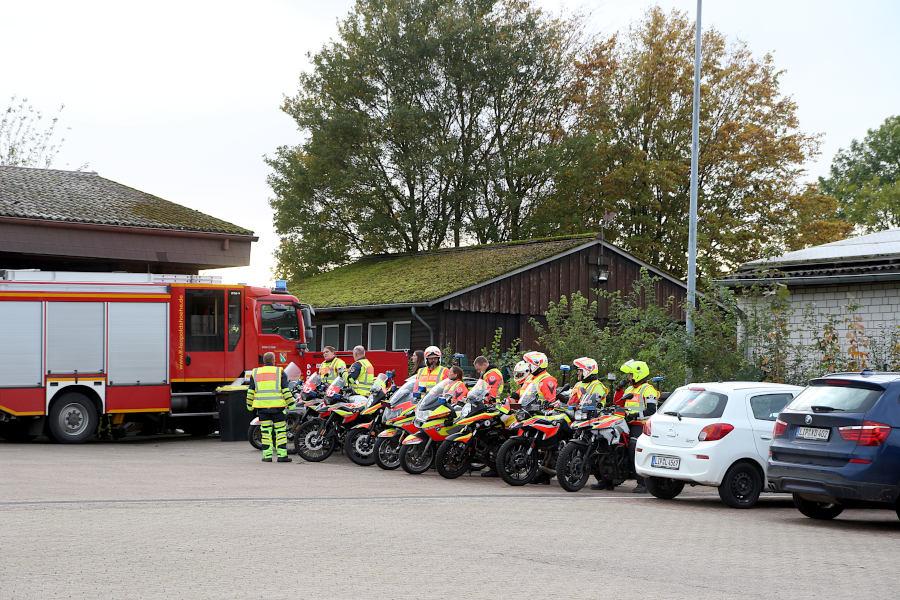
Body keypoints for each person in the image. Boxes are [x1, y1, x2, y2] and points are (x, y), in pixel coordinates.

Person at [245, 352, 296, 462]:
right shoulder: (279, 372)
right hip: (278, 408)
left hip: (262, 409)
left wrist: (249, 405)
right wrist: (291, 404)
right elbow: (285, 390)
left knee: (266, 433)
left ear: (264, 361)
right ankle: (282, 456)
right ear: (273, 360)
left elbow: (250, 391)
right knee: (281, 432)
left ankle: (267, 456)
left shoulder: (256, 372)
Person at [619, 359, 659, 493]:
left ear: (638, 374)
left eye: (630, 375)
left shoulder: (648, 389)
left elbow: (651, 410)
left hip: (640, 425)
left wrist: (635, 416)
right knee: (609, 442)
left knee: (633, 447)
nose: (628, 377)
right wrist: (619, 389)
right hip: (625, 422)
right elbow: (618, 403)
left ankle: (642, 482)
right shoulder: (630, 388)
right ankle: (607, 479)